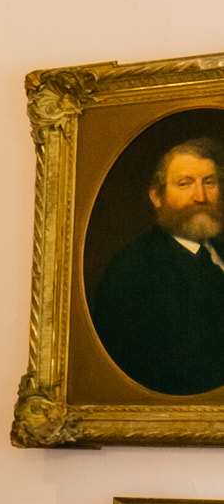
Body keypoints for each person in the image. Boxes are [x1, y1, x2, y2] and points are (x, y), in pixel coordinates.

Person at [89, 139, 224, 397]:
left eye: (209, 182)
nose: (201, 197)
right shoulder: (132, 271)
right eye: (184, 184)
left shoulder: (220, 251)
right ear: (157, 197)